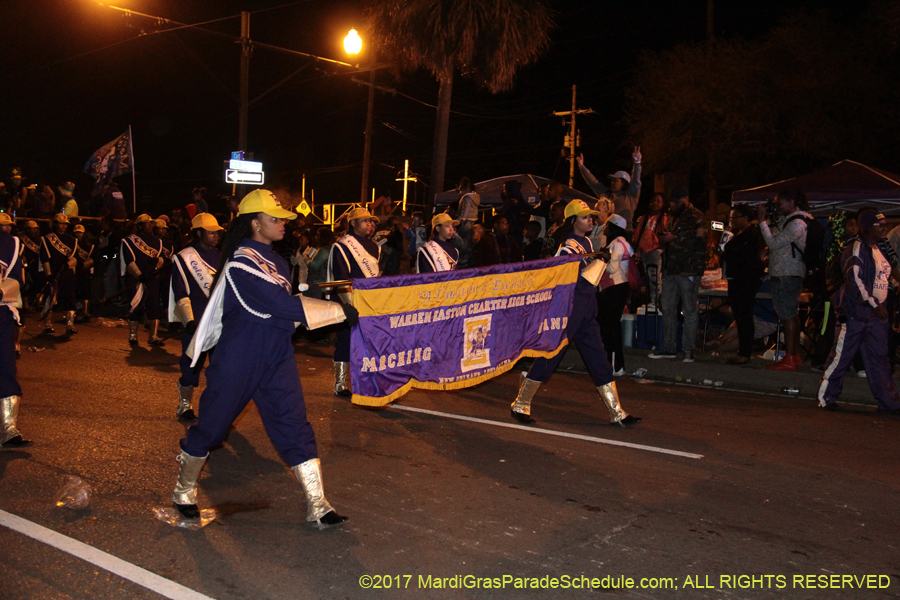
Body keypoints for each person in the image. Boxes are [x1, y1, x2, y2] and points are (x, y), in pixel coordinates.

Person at [170, 189, 353, 527]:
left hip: (277, 353)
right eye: (275, 219)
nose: (283, 224)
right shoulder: (241, 260)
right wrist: (336, 311)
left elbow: (290, 308)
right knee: (212, 427)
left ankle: (318, 504)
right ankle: (183, 491)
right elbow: (278, 305)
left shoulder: (277, 260)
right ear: (255, 223)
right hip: (240, 355)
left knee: (294, 424)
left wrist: (320, 297)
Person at [510, 199, 641, 428]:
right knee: (551, 355)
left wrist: (599, 261)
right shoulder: (568, 246)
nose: (590, 219)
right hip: (570, 310)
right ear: (573, 221)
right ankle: (521, 403)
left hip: (587, 309)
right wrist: (597, 262)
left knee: (598, 357)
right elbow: (569, 276)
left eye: (591, 216)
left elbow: (591, 278)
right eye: (584, 217)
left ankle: (616, 411)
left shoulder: (588, 242)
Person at [818, 210, 900, 414]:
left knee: (880, 359)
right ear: (867, 227)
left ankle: (890, 402)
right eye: (879, 225)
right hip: (856, 313)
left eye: (885, 224)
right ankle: (826, 397)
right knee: (842, 356)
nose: (884, 228)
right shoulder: (856, 248)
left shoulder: (877, 248)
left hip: (875, 316)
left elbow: (883, 276)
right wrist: (874, 304)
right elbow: (855, 279)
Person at [169, 213, 223, 421]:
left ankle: (216, 406)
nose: (215, 236)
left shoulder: (221, 255)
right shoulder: (185, 257)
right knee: (192, 363)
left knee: (220, 365)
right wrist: (189, 320)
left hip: (219, 319)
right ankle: (185, 405)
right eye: (211, 233)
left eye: (217, 233)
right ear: (198, 233)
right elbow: (180, 290)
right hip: (197, 320)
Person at [649, 186, 708, 362]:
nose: (672, 205)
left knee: (689, 309)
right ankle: (669, 348)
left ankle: (688, 350)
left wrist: (676, 239)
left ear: (685, 199)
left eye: (675, 201)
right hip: (671, 268)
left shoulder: (698, 217)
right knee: (667, 307)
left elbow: (701, 241)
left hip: (688, 269)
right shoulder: (673, 216)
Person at [327, 206, 380, 396]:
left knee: (369, 342)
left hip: (369, 301)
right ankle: (340, 384)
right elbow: (340, 278)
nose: (370, 225)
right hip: (348, 300)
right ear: (353, 223)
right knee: (345, 341)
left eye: (372, 222)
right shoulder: (341, 246)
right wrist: (350, 305)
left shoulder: (374, 246)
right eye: (365, 221)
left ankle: (366, 380)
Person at [756, 189, 811, 371]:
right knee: (789, 314)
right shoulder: (788, 221)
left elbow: (774, 243)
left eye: (780, 204)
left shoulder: (798, 223)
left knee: (787, 315)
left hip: (787, 274)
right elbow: (773, 238)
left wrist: (762, 221)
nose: (777, 207)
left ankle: (790, 357)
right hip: (783, 273)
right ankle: (793, 355)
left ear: (792, 202)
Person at [720, 205, 765, 365]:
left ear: (745, 218)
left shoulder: (750, 236)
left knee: (744, 316)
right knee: (740, 316)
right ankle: (743, 350)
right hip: (737, 279)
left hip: (745, 280)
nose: (732, 220)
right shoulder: (740, 235)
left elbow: (736, 254)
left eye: (735, 217)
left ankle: (745, 352)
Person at [1, 218, 32, 448]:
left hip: (1, 311)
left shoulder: (9, 243)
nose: (6, 228)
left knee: (5, 367)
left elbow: (13, 278)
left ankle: (8, 428)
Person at [597, 214, 634, 375]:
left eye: (607, 225)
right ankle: (614, 364)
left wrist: (602, 260)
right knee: (609, 325)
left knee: (611, 326)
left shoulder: (618, 244)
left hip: (616, 287)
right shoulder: (618, 243)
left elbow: (613, 268)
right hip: (614, 287)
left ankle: (616, 365)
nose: (604, 227)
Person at [121, 214, 165, 346]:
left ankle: (153, 336)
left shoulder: (157, 242)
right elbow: (128, 259)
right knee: (135, 306)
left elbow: (162, 258)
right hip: (135, 278)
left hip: (151, 278)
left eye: (152, 223)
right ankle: (133, 335)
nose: (151, 226)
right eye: (148, 223)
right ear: (140, 226)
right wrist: (139, 275)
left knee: (153, 305)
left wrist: (158, 261)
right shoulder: (129, 241)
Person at [577, 147, 642, 231]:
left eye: (616, 180)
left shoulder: (630, 196)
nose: (612, 182)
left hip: (625, 232)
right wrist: (582, 166)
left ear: (623, 183)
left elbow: (636, 180)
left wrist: (637, 163)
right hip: (605, 232)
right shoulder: (606, 194)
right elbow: (593, 182)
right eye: (612, 180)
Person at [40, 213, 79, 335]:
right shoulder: (47, 238)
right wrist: (49, 275)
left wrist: (68, 265)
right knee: (51, 298)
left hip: (67, 273)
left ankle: (70, 324)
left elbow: (75, 257)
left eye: (65, 224)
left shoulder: (72, 240)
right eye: (61, 224)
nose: (63, 226)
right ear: (55, 224)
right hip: (53, 273)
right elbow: (45, 258)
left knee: (70, 297)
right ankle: (47, 323)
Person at [632, 192, 667, 306]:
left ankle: (656, 302)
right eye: (654, 200)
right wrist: (637, 248)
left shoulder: (664, 218)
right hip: (644, 251)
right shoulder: (644, 218)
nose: (655, 203)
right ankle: (652, 300)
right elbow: (638, 234)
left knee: (655, 278)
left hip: (656, 251)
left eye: (658, 201)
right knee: (648, 278)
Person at [454, 177, 480, 268]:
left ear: (465, 189)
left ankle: (461, 262)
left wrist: (461, 219)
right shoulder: (475, 198)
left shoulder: (466, 198)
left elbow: (465, 209)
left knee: (462, 243)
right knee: (469, 243)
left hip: (465, 221)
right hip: (472, 221)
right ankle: (468, 261)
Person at [72, 224, 96, 322]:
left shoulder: (89, 245)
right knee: (75, 289)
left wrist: (87, 264)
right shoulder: (71, 243)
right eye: (77, 232)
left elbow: (94, 257)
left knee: (86, 289)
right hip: (74, 270)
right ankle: (76, 310)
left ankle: (85, 311)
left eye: (80, 232)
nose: (78, 234)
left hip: (85, 270)